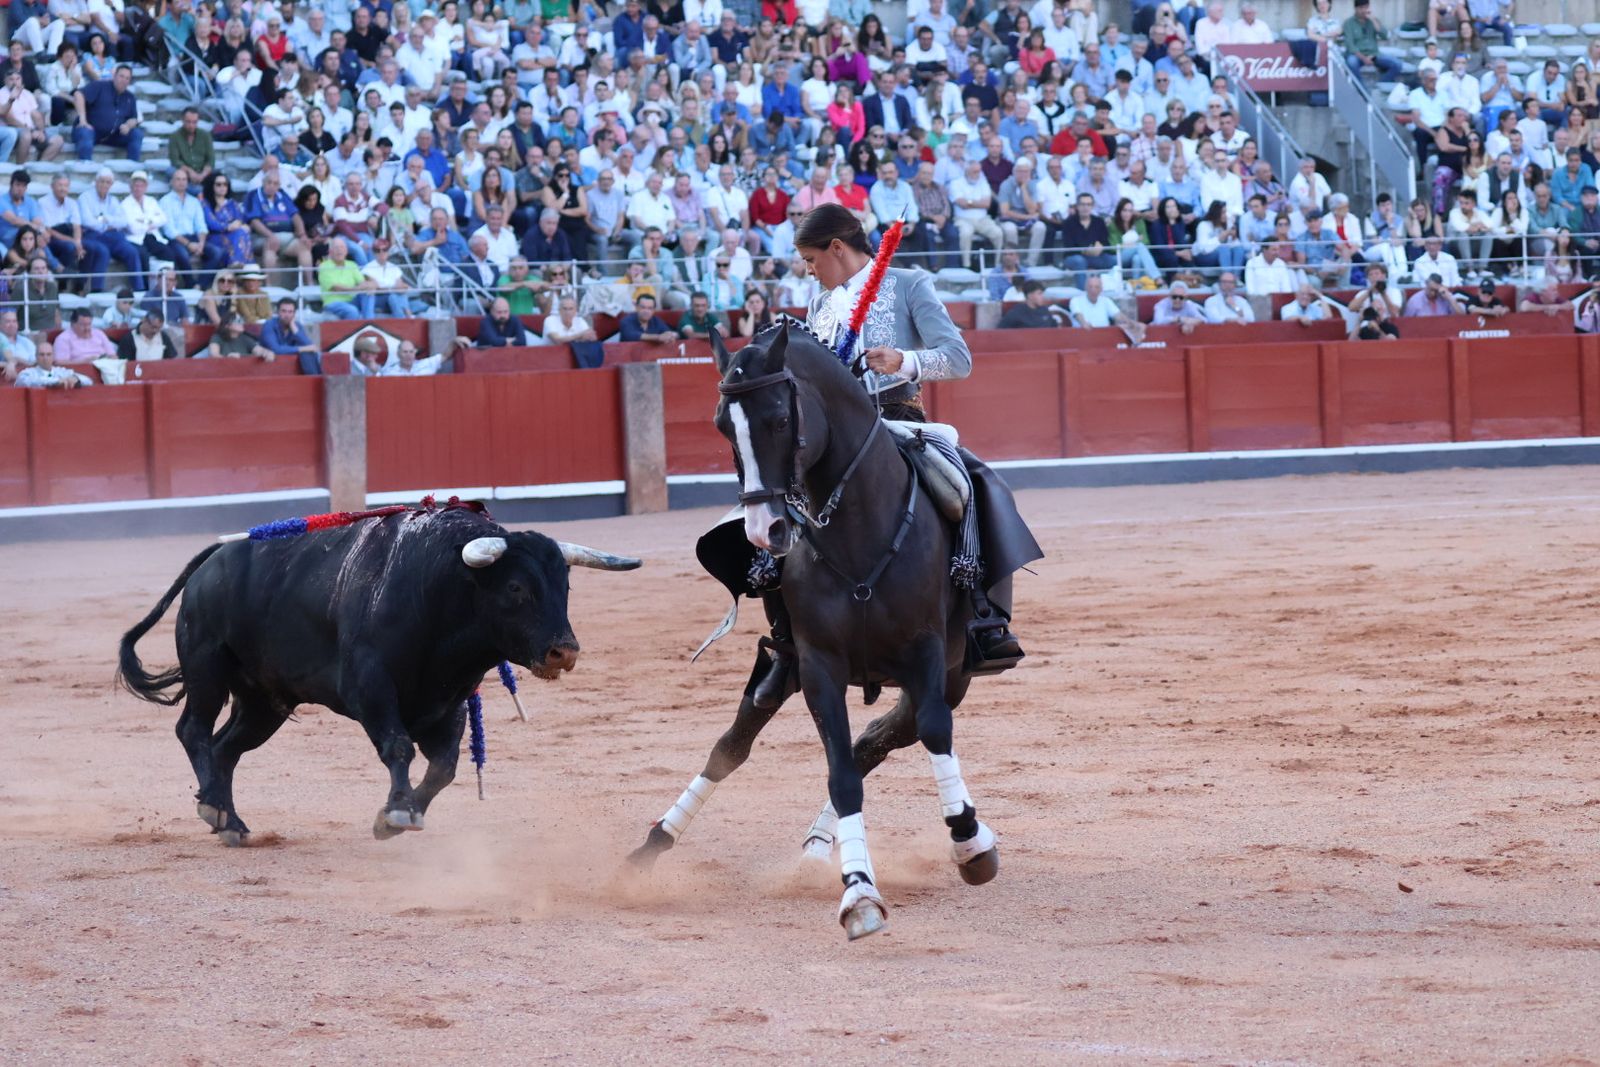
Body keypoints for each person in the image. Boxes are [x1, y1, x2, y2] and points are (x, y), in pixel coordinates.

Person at [705, 202, 1038, 709]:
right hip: (833, 443)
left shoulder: (909, 284)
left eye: (813, 259)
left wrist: (905, 359)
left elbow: (960, 358)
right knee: (769, 503)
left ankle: (983, 617)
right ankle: (787, 639)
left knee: (969, 487)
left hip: (901, 424)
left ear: (838, 248)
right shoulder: (819, 308)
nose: (810, 271)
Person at [72, 63, 142, 161]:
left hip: (113, 136)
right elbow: (78, 94)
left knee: (136, 134)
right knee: (85, 133)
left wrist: (128, 125)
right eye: (121, 76)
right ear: (114, 76)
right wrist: (82, 120)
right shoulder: (100, 85)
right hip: (91, 131)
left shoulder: (130, 97)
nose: (124, 80)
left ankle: (132, 168)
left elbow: (134, 118)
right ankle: (85, 167)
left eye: (127, 78)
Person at [260, 297, 322, 373]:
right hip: (270, 365)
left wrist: (294, 329)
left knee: (308, 354)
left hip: (291, 365)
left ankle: (316, 380)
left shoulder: (296, 326)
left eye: (290, 312)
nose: (287, 315)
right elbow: (276, 349)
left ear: (294, 314)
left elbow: (310, 346)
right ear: (277, 312)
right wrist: (302, 349)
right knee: (306, 351)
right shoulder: (269, 325)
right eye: (284, 311)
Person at [13, 340, 90, 388]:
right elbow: (29, 382)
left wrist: (76, 379)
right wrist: (56, 381)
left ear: (53, 356)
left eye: (48, 354)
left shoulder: (61, 371)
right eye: (42, 354)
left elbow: (88, 381)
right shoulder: (27, 373)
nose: (45, 358)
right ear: (36, 357)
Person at [998, 280, 1066, 328]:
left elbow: (1055, 329)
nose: (1042, 297)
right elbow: (1001, 332)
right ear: (1030, 295)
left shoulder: (1044, 310)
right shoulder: (1016, 313)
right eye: (1039, 294)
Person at [204, 313, 274, 359]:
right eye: (238, 321)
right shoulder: (217, 338)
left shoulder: (245, 338)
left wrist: (266, 353)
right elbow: (214, 355)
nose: (242, 323)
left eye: (242, 320)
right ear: (227, 325)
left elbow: (258, 350)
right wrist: (227, 358)